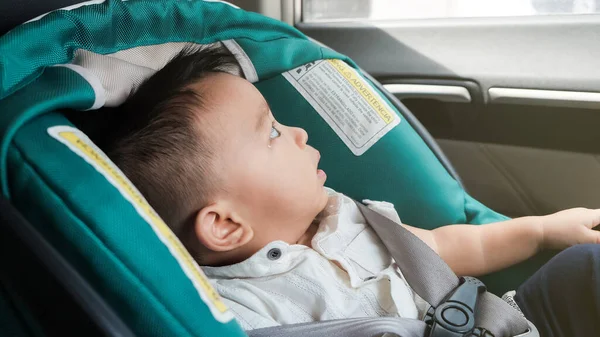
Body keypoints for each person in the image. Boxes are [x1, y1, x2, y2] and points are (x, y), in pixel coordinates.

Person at [84, 45, 600, 336]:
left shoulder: (349, 218)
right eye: (271, 132)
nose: (300, 133)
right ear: (224, 224)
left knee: (586, 267)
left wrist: (541, 230)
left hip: (500, 326)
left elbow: (450, 247)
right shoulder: (238, 308)